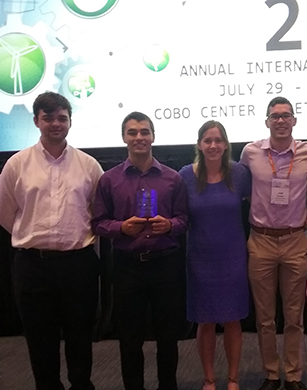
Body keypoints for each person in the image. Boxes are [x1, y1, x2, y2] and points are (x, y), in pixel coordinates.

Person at [0, 92, 103, 390]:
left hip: (78, 264)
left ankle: (81, 385)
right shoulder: (17, 165)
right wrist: (34, 238)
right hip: (33, 266)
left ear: (70, 121)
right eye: (48, 118)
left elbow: (97, 213)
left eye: (62, 118)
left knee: (80, 336)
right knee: (39, 340)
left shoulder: (89, 166)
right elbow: (7, 214)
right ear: (36, 121)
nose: (56, 124)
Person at [92, 111, 188, 390]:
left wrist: (169, 225)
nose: (139, 137)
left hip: (165, 265)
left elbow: (184, 220)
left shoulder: (172, 178)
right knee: (130, 337)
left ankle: (168, 386)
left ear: (153, 137)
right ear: (124, 137)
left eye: (144, 132)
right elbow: (98, 223)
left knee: (168, 336)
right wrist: (121, 228)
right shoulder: (109, 180)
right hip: (127, 266)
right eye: (132, 132)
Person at [239, 96, 307, 390]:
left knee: (294, 316)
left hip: (295, 240)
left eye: (286, 115)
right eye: (275, 116)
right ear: (266, 122)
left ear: (295, 120)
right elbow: (241, 187)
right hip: (260, 240)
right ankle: (272, 374)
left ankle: (294, 375)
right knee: (264, 317)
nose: (281, 120)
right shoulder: (250, 152)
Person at [179, 121, 251, 390]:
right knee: (205, 321)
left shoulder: (241, 174)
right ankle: (209, 379)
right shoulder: (186, 176)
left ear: (226, 144)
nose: (213, 145)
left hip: (233, 257)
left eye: (218, 140)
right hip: (200, 259)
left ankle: (233, 378)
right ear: (199, 144)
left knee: (233, 319)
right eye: (207, 140)